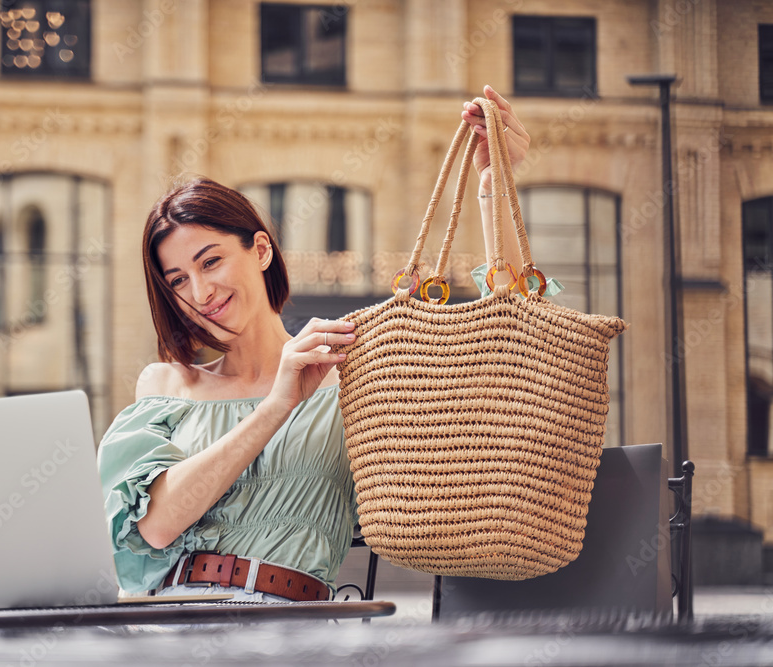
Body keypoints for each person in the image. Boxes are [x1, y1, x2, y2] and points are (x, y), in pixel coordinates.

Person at [96, 86, 532, 602]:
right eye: (177, 280)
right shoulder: (169, 383)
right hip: (172, 620)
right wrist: (279, 403)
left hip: (288, 628)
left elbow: (508, 346)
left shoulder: (351, 375)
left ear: (260, 250)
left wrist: (493, 185)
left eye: (210, 262)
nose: (200, 292)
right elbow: (156, 526)